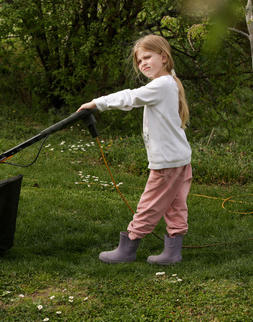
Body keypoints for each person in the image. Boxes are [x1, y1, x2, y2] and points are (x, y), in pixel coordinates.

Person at [77, 34, 192, 265]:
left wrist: (97, 103)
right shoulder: (168, 83)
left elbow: (130, 97)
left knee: (148, 205)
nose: (143, 64)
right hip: (180, 159)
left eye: (147, 57)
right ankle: (173, 253)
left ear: (164, 57)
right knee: (175, 205)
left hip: (167, 162)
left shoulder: (161, 84)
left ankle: (127, 249)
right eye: (140, 61)